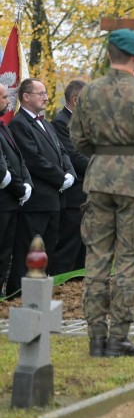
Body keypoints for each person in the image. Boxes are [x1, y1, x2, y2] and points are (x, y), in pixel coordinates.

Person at [71, 28, 134, 357]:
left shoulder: (88, 93)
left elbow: (78, 140)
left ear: (110, 55)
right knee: (128, 262)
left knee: (96, 260)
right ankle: (119, 337)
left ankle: (96, 339)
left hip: (98, 179)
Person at [8, 78, 76, 296]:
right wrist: (60, 177)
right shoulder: (19, 124)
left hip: (54, 200)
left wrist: (70, 174)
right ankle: (18, 293)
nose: (46, 97)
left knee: (46, 250)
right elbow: (33, 159)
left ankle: (39, 293)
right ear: (26, 97)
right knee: (28, 249)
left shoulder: (45, 123)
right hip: (36, 200)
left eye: (46, 93)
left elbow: (62, 152)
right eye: (41, 93)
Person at [51, 80, 89, 274]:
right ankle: (60, 289)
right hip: (74, 197)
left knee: (84, 248)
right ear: (76, 100)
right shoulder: (61, 123)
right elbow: (74, 157)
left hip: (88, 195)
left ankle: (75, 292)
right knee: (69, 248)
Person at [0, 84, 33, 296]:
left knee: (5, 253)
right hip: (3, 200)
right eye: (4, 97)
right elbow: (2, 170)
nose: (8, 101)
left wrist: (26, 184)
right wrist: (19, 188)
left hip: (11, 202)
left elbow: (19, 160)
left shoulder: (4, 126)